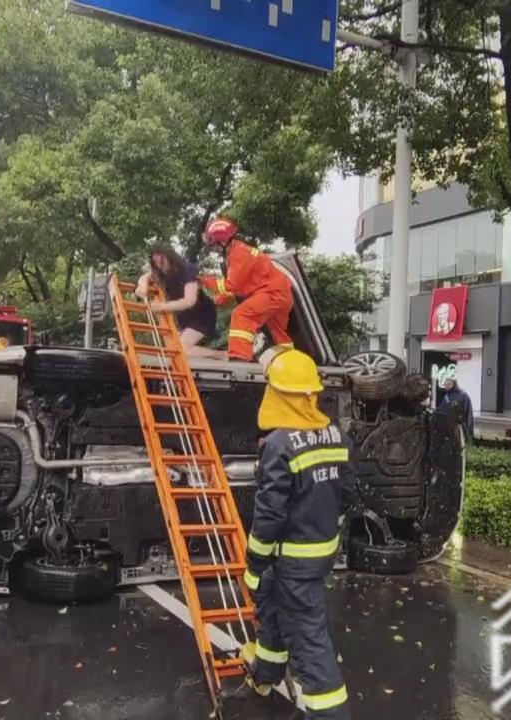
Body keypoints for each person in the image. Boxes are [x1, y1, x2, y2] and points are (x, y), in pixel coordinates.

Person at [241, 347, 352, 719]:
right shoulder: (336, 436)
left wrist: (254, 565)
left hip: (290, 560)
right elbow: (347, 494)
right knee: (273, 612)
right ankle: (265, 675)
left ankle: (330, 715)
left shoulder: (278, 445)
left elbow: (269, 514)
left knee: (309, 644)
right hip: (318, 555)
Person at [199, 217, 294, 361]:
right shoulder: (240, 251)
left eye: (215, 245)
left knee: (241, 314)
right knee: (279, 334)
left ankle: (239, 357)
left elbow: (231, 285)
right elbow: (243, 286)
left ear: (223, 242)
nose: (214, 249)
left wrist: (203, 281)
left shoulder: (238, 254)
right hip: (279, 293)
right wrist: (221, 299)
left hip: (271, 292)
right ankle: (291, 360)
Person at [135, 243, 220, 358]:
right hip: (184, 316)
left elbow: (189, 301)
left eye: (162, 262)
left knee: (181, 349)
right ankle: (217, 355)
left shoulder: (187, 271)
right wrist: (142, 287)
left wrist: (162, 306)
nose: (160, 267)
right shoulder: (161, 275)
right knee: (174, 350)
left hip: (202, 314)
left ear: (170, 257)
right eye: (156, 264)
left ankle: (220, 355)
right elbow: (144, 277)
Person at [438, 377, 474, 442]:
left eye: (447, 384)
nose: (445, 386)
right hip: (447, 427)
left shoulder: (463, 395)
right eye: (445, 385)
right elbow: (441, 410)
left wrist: (469, 430)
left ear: (452, 384)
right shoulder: (447, 396)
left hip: (459, 426)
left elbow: (469, 413)